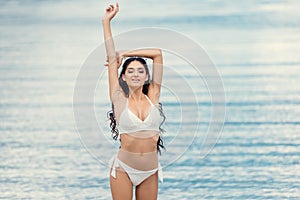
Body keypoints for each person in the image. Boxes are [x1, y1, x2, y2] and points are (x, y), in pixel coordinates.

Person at [102, 3, 165, 200]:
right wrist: (106, 22)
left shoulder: (153, 95)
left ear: (147, 76)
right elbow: (112, 59)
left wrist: (126, 53)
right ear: (123, 78)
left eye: (140, 71)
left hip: (150, 171)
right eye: (130, 71)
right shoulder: (119, 98)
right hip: (124, 170)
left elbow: (157, 53)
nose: (136, 74)